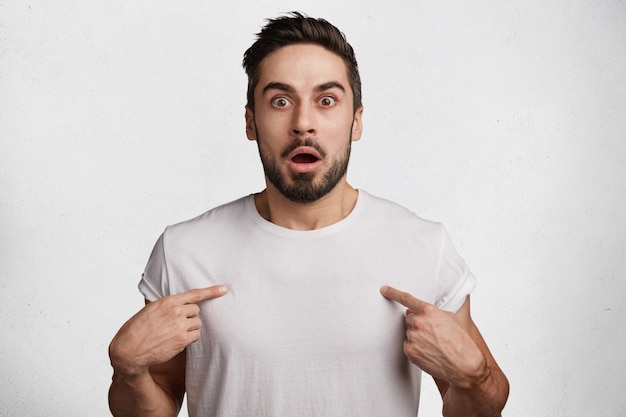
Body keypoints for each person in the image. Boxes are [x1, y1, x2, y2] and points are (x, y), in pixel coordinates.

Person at [108, 12, 509, 417]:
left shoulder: (425, 246)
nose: (303, 124)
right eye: (280, 101)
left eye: (327, 101)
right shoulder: (184, 250)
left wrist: (473, 377)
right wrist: (128, 372)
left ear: (356, 121)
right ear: (251, 121)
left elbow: (481, 407)